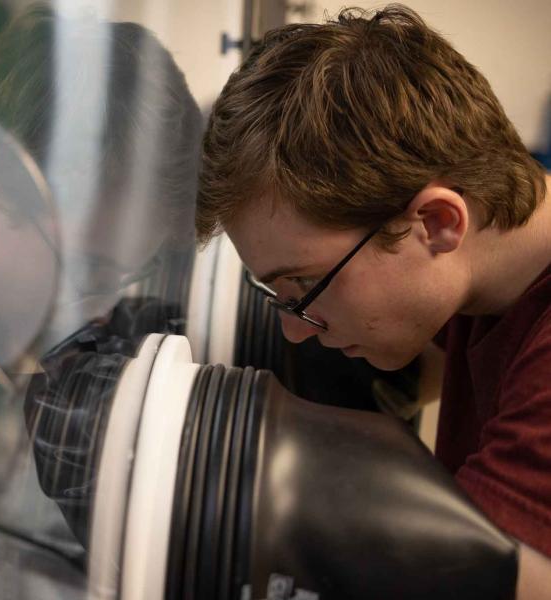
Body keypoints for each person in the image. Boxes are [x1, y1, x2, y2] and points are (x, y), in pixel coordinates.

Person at [197, 5, 551, 597]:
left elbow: (482, 577)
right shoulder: (486, 274)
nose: (296, 329)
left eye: (303, 289)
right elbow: (412, 380)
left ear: (437, 223)